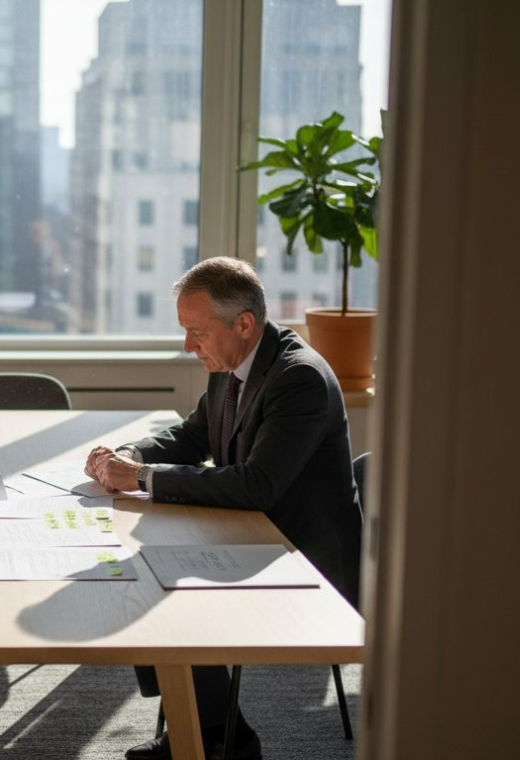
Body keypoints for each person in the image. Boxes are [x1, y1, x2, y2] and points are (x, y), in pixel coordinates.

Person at [84, 256, 361, 760]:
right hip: (253, 534)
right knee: (147, 570)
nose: (188, 346)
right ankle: (202, 729)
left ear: (244, 324)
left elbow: (256, 485)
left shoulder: (298, 379)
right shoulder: (232, 362)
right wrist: (131, 456)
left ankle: (222, 740)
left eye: (197, 332)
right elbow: (195, 435)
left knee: (163, 588)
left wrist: (142, 479)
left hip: (303, 557)